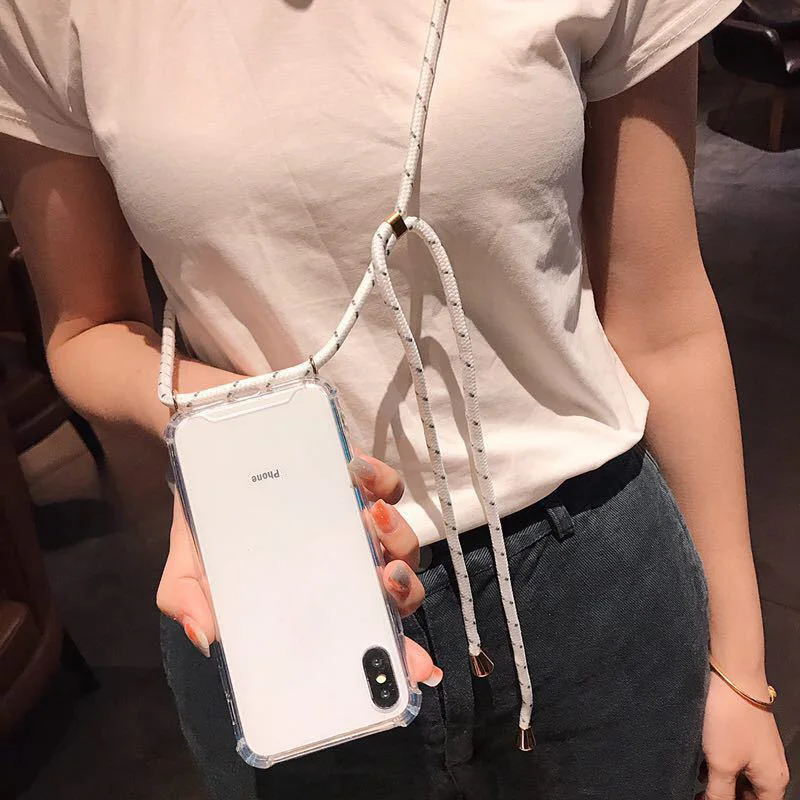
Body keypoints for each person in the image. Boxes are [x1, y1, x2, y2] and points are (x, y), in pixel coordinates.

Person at [0, 0, 790, 798]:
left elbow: (662, 318)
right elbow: (85, 326)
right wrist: (235, 434)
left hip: (594, 582)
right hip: (279, 588)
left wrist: (740, 665)